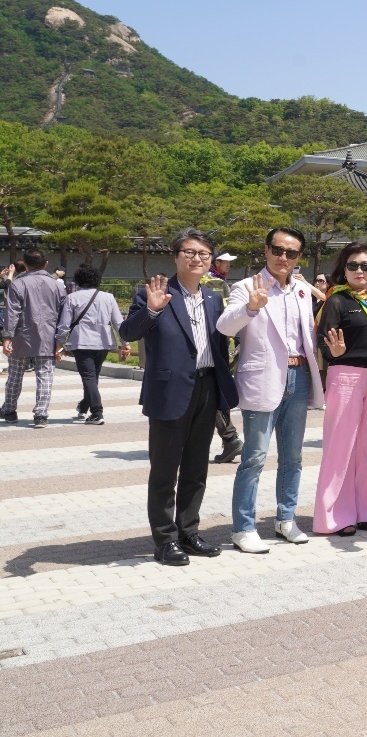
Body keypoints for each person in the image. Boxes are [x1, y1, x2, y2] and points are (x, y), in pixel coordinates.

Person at [119, 230, 238, 566]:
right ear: (176, 256)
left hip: (206, 387)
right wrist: (152, 311)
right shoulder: (156, 292)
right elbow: (128, 332)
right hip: (169, 391)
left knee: (197, 467)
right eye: (189, 252)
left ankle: (189, 531)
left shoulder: (215, 299)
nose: (197, 258)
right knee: (165, 470)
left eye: (204, 253)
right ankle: (165, 540)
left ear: (210, 261)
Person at [218, 228, 325, 552]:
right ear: (266, 251)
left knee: (293, 457)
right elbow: (224, 326)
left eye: (291, 253)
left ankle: (285, 518)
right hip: (263, 379)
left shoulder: (303, 292)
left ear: (299, 258)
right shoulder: (246, 286)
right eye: (278, 250)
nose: (284, 258)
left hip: (299, 375)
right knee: (254, 457)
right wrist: (250, 308)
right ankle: (243, 527)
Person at [313, 243, 367, 536]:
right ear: (343, 270)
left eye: (365, 266)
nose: (359, 271)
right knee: (340, 447)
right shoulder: (336, 300)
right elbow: (324, 340)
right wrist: (333, 351)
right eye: (352, 265)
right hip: (345, 375)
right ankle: (336, 516)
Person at [54, 264, 129, 424]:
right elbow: (118, 322)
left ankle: (97, 412)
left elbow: (64, 324)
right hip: (103, 342)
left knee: (88, 377)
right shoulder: (108, 297)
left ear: (79, 280)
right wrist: (125, 343)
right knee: (93, 376)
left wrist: (59, 343)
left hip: (81, 341)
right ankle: (84, 405)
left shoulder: (72, 298)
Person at [1, 249, 67, 428]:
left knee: (15, 376)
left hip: (21, 336)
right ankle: (41, 415)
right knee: (45, 376)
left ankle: (9, 410)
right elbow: (64, 315)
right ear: (46, 263)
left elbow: (11, 312)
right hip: (48, 337)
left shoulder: (17, 284)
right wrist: (60, 340)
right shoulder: (57, 285)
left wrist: (7, 337)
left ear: (26, 264)